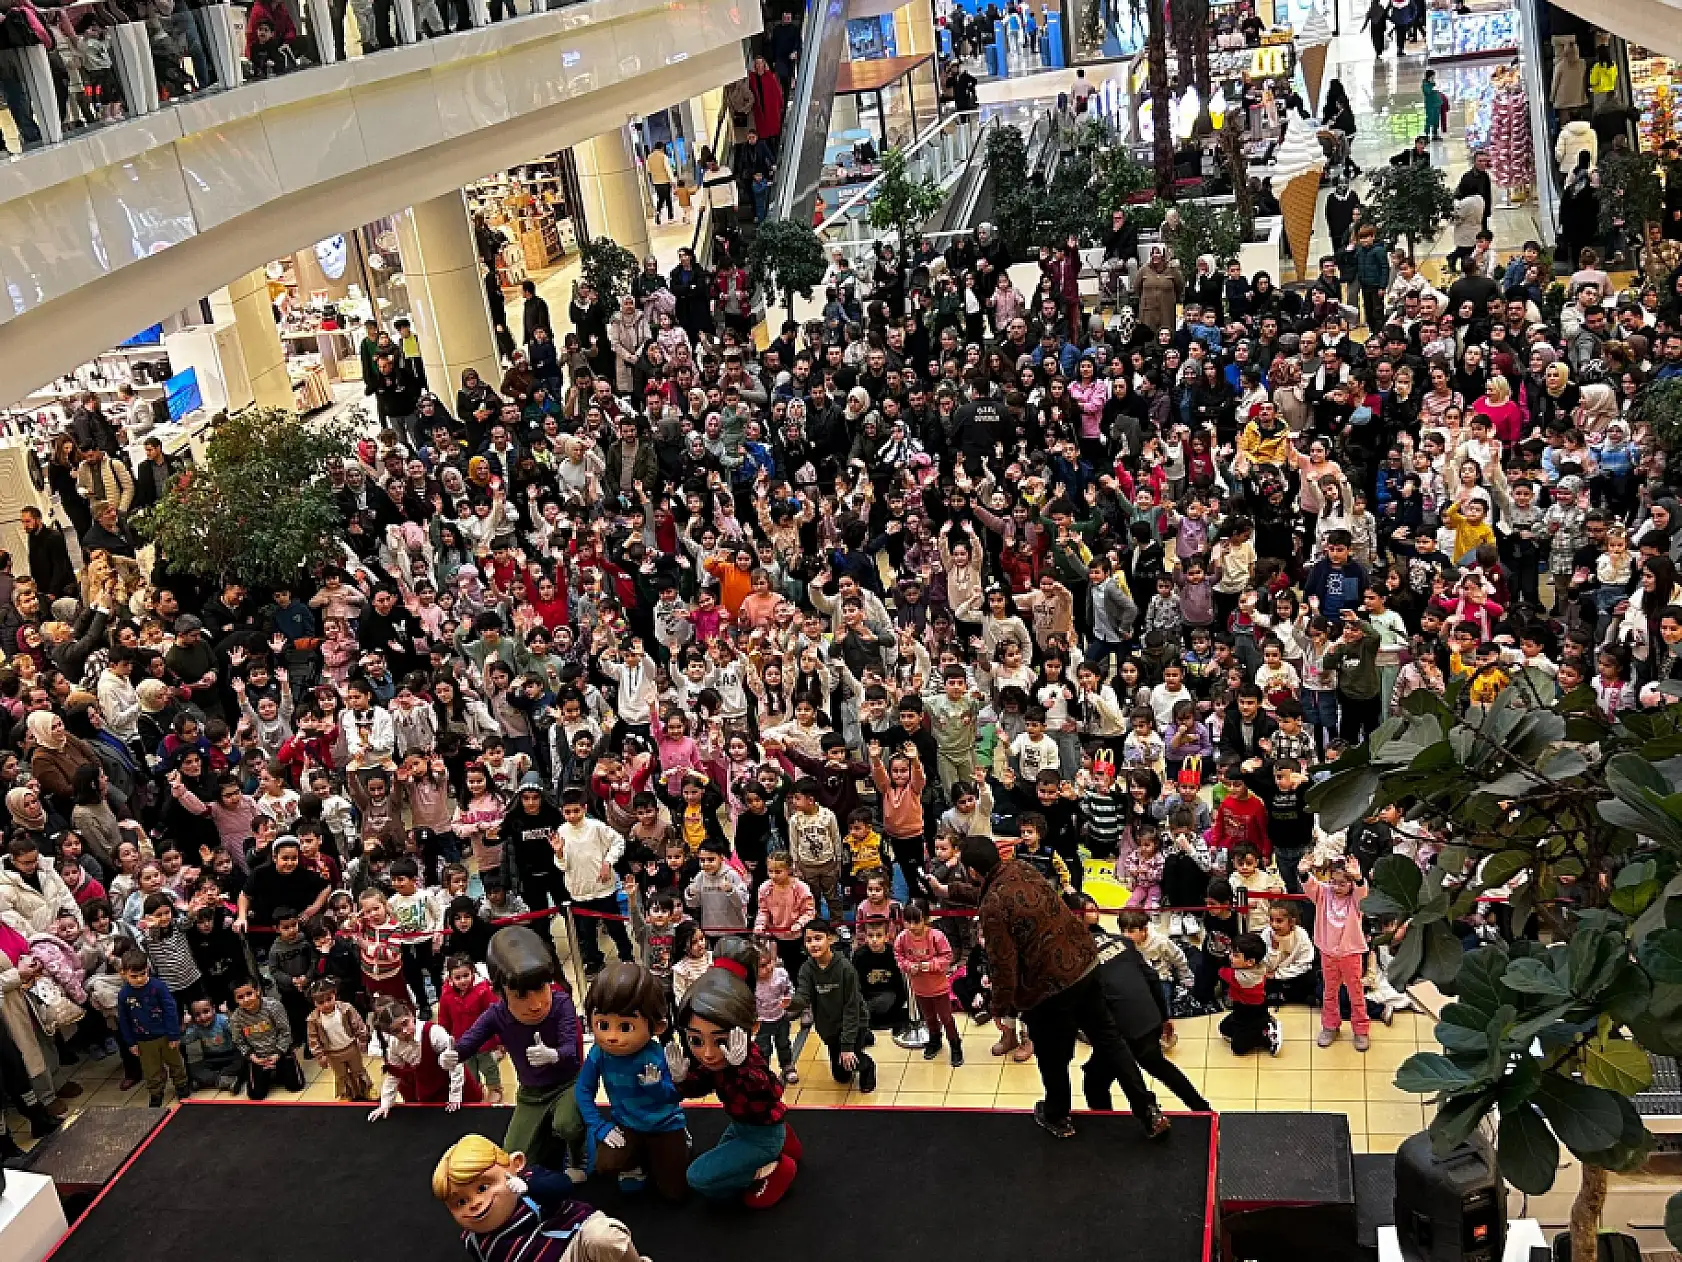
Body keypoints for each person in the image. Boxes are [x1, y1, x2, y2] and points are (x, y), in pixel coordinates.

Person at [960, 835, 1167, 1139]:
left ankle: (1058, 1115)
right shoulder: (1023, 869)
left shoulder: (992, 907)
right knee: (1110, 1040)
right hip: (1085, 964)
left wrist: (1001, 1007)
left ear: (973, 872)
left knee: (1053, 1057)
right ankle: (1148, 1111)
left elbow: (1003, 964)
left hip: (1048, 989)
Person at [442, 926, 588, 1178]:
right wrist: (455, 1054)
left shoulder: (561, 1003)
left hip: (569, 1083)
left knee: (568, 1124)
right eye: (521, 995)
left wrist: (554, 1055)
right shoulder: (497, 1014)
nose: (536, 1004)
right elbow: (471, 1039)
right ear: (501, 992)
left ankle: (577, 1156)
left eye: (541, 989)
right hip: (531, 1093)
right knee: (514, 1162)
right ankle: (550, 1136)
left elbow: (570, 1049)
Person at [667, 934, 800, 1207]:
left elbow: (769, 1089)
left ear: (751, 1029)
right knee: (720, 1157)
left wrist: (740, 1068)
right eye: (696, 1040)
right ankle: (783, 1143)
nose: (707, 1052)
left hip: (761, 1132)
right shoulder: (716, 1061)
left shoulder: (747, 1057)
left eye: (719, 1040)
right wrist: (680, 1080)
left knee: (699, 1178)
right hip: (743, 1127)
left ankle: (773, 1167)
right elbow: (700, 1083)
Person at [433, 1134, 650, 1262]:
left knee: (605, 1238)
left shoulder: (529, 1181)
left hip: (575, 1239)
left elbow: (564, 1186)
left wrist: (528, 1187)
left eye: (483, 1187)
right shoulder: (475, 1241)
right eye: (460, 1202)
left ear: (516, 1164)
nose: (475, 1204)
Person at [576, 961, 689, 1199]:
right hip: (627, 1125)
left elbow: (674, 1096)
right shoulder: (598, 1053)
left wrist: (660, 1086)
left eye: (625, 1026)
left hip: (665, 1125)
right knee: (604, 1164)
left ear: (657, 1026)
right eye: (603, 1025)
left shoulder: (657, 1056)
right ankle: (633, 1161)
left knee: (675, 1193)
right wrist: (599, 1126)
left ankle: (677, 1142)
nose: (612, 1037)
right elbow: (583, 1091)